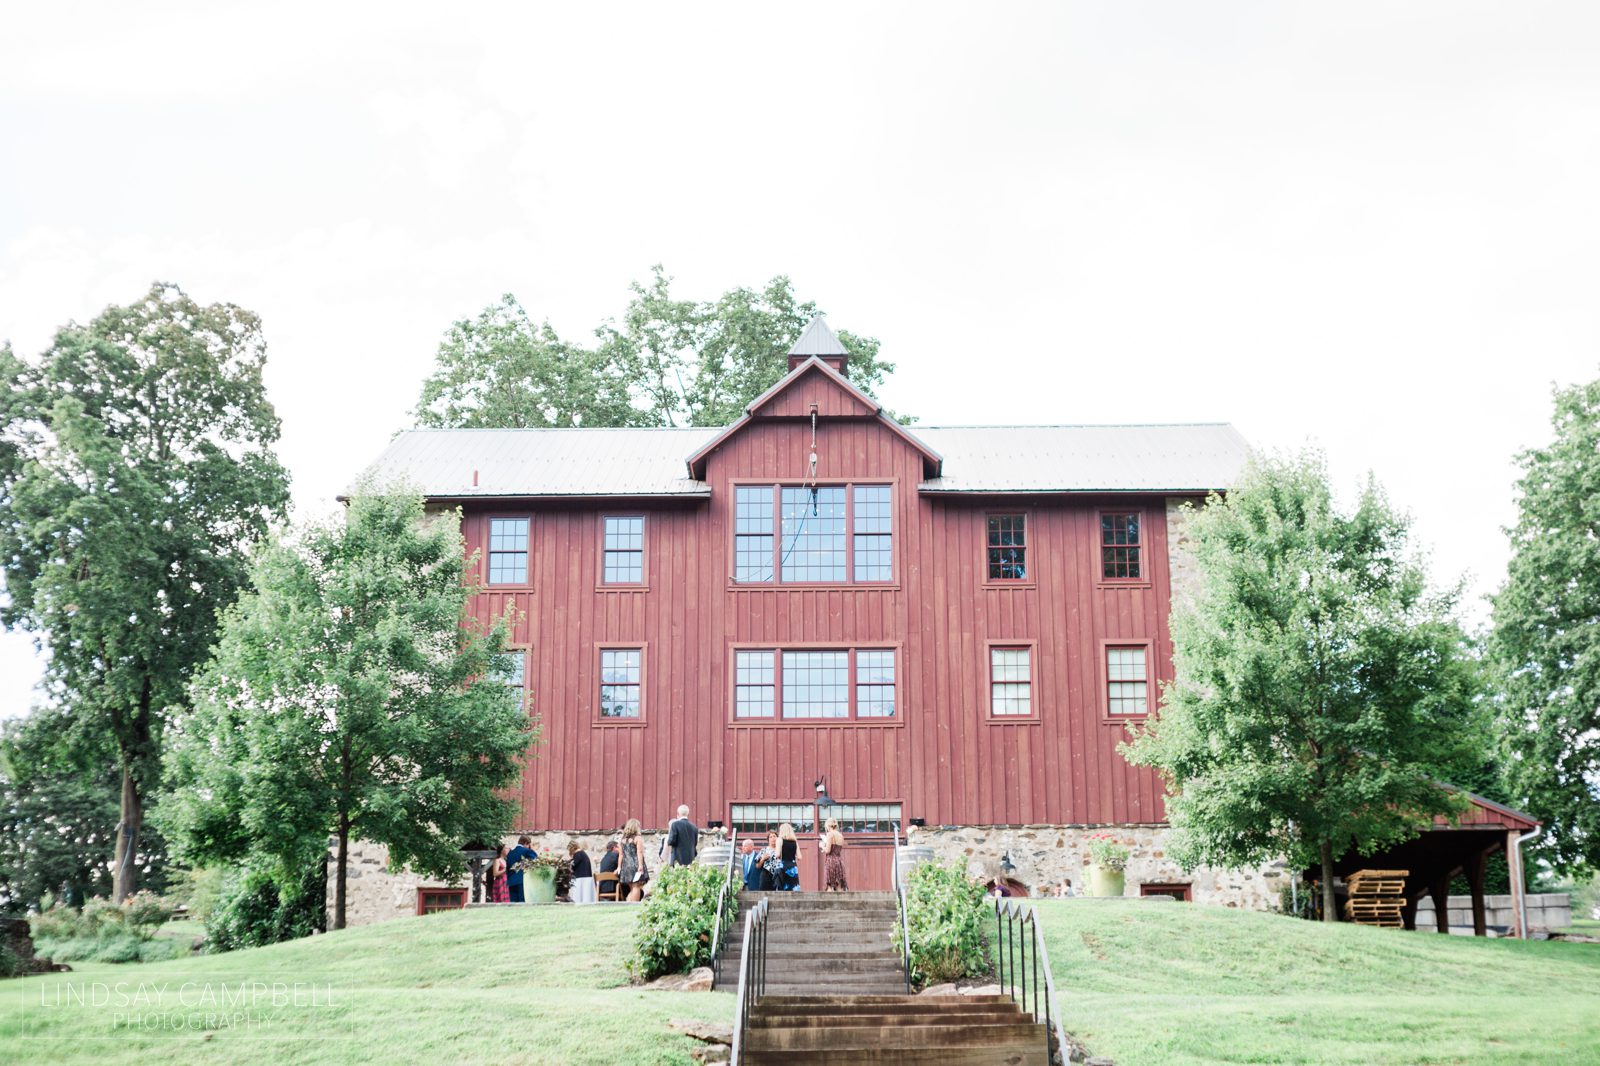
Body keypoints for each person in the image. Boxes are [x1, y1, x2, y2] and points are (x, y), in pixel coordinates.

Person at [618, 818, 649, 902]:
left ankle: (629, 904)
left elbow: (621, 855)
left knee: (631, 887)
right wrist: (640, 865)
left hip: (626, 865)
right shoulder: (638, 838)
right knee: (636, 886)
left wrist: (619, 867)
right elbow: (640, 852)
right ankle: (634, 905)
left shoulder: (622, 840)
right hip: (635, 865)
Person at [504, 835, 537, 903]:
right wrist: (532, 849)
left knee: (513, 903)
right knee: (522, 902)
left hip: (511, 881)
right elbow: (535, 859)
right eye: (528, 845)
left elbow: (507, 868)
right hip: (522, 881)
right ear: (525, 843)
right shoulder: (527, 851)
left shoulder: (510, 853)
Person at [821, 819, 848, 892]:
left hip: (831, 862)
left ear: (827, 826)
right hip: (839, 862)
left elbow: (828, 850)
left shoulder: (830, 834)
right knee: (840, 888)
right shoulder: (840, 835)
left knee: (829, 887)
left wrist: (822, 846)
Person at [568, 840, 596, 905]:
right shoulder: (582, 853)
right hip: (586, 877)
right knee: (586, 894)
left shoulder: (577, 854)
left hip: (581, 878)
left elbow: (573, 865)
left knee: (579, 895)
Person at [778, 822, 800, 891]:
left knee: (783, 887)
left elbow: (777, 854)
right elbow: (799, 856)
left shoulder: (780, 840)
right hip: (793, 866)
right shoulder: (795, 841)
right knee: (794, 886)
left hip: (783, 865)